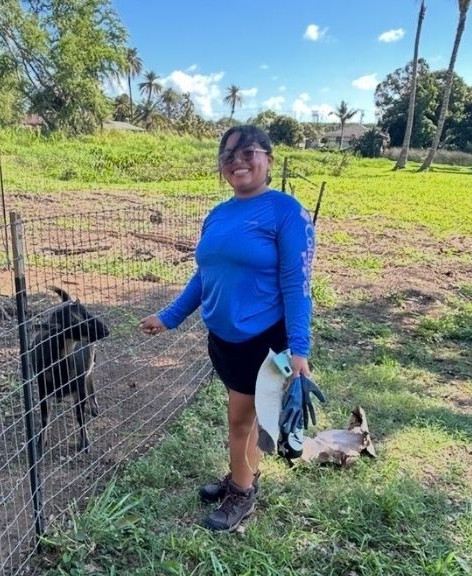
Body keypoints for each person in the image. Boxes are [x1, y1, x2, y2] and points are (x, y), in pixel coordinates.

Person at [139, 125, 316, 532]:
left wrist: (300, 348)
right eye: (228, 156)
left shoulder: (288, 212)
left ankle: (241, 492)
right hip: (222, 339)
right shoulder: (217, 215)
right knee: (248, 416)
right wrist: (168, 317)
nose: (238, 162)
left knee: (239, 420)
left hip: (263, 339)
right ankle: (244, 474)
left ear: (268, 159)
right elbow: (204, 276)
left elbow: (297, 284)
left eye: (248, 152)